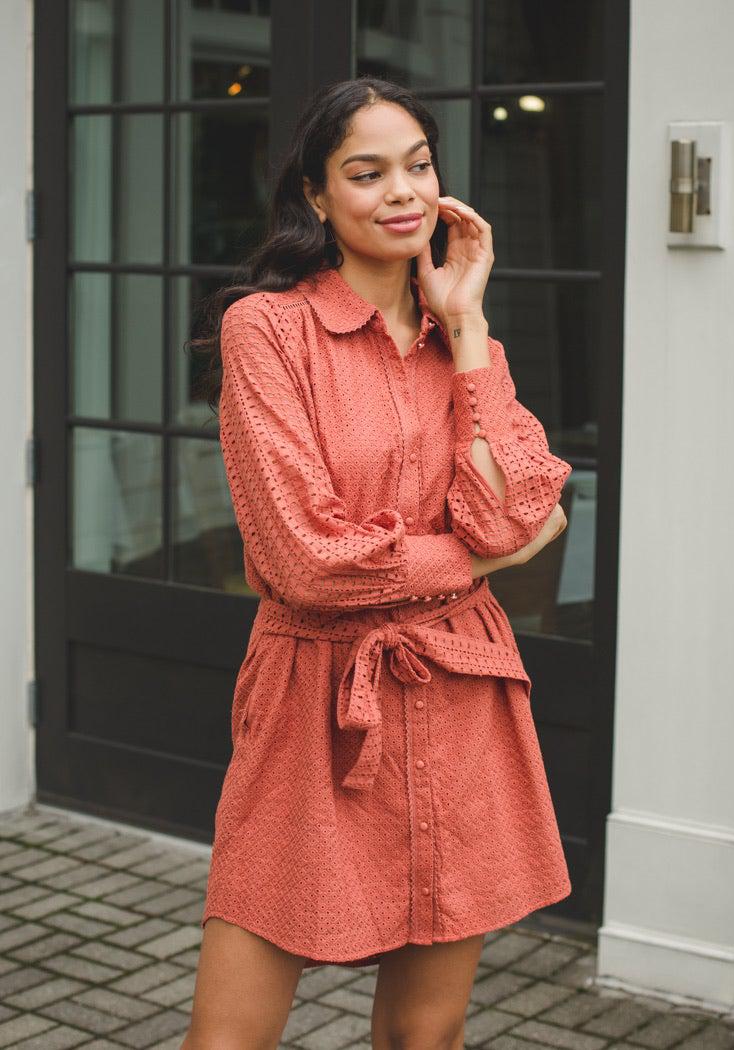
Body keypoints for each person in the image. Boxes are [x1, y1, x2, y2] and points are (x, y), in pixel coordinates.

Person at [182, 75, 571, 1050]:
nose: (402, 191)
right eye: (367, 172)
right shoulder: (266, 332)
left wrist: (471, 327)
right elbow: (307, 561)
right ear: (316, 195)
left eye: (419, 165)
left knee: (423, 1038)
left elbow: (522, 503)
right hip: (316, 703)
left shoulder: (465, 346)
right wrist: (477, 562)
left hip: (461, 707)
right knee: (228, 1039)